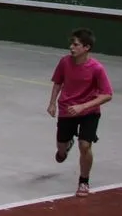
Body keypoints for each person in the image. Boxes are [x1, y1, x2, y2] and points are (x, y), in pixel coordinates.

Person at [48, 27, 114, 197]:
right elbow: (57, 82)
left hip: (89, 112)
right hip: (67, 110)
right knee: (60, 149)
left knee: (85, 145)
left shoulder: (97, 68)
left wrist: (83, 106)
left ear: (86, 47)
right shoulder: (64, 62)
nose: (71, 47)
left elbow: (107, 95)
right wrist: (52, 103)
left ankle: (84, 181)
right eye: (71, 43)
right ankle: (65, 147)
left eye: (76, 44)